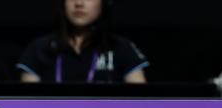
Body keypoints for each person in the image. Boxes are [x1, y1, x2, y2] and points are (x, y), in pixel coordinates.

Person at [17, 0, 148, 83]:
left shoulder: (121, 47)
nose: (79, 3)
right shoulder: (40, 47)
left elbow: (142, 102)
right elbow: (28, 104)